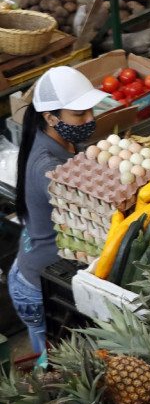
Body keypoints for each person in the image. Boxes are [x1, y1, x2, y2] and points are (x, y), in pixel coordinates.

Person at [10, 68, 108, 357]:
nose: (90, 118)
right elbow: (91, 210)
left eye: (91, 110)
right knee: (54, 368)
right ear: (50, 117)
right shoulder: (46, 167)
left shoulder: (55, 139)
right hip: (39, 287)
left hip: (38, 265)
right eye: (79, 114)